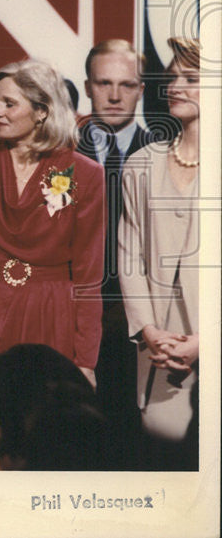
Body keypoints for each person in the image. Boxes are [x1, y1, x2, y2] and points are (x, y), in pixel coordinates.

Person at [0, 59, 104, 470]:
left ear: (42, 110)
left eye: (9, 103)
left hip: (52, 314)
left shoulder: (84, 173)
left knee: (45, 439)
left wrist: (84, 360)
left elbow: (88, 275)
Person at [118, 37, 200, 470]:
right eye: (172, 78)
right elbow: (130, 258)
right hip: (160, 358)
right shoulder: (141, 165)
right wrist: (149, 332)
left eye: (191, 78)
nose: (174, 86)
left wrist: (206, 343)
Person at [77, 38, 153, 468]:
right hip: (73, 309)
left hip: (140, 316)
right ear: (88, 86)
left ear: (141, 90)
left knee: (130, 438)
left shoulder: (166, 153)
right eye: (104, 82)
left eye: (126, 84)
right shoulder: (59, 153)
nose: (114, 94)